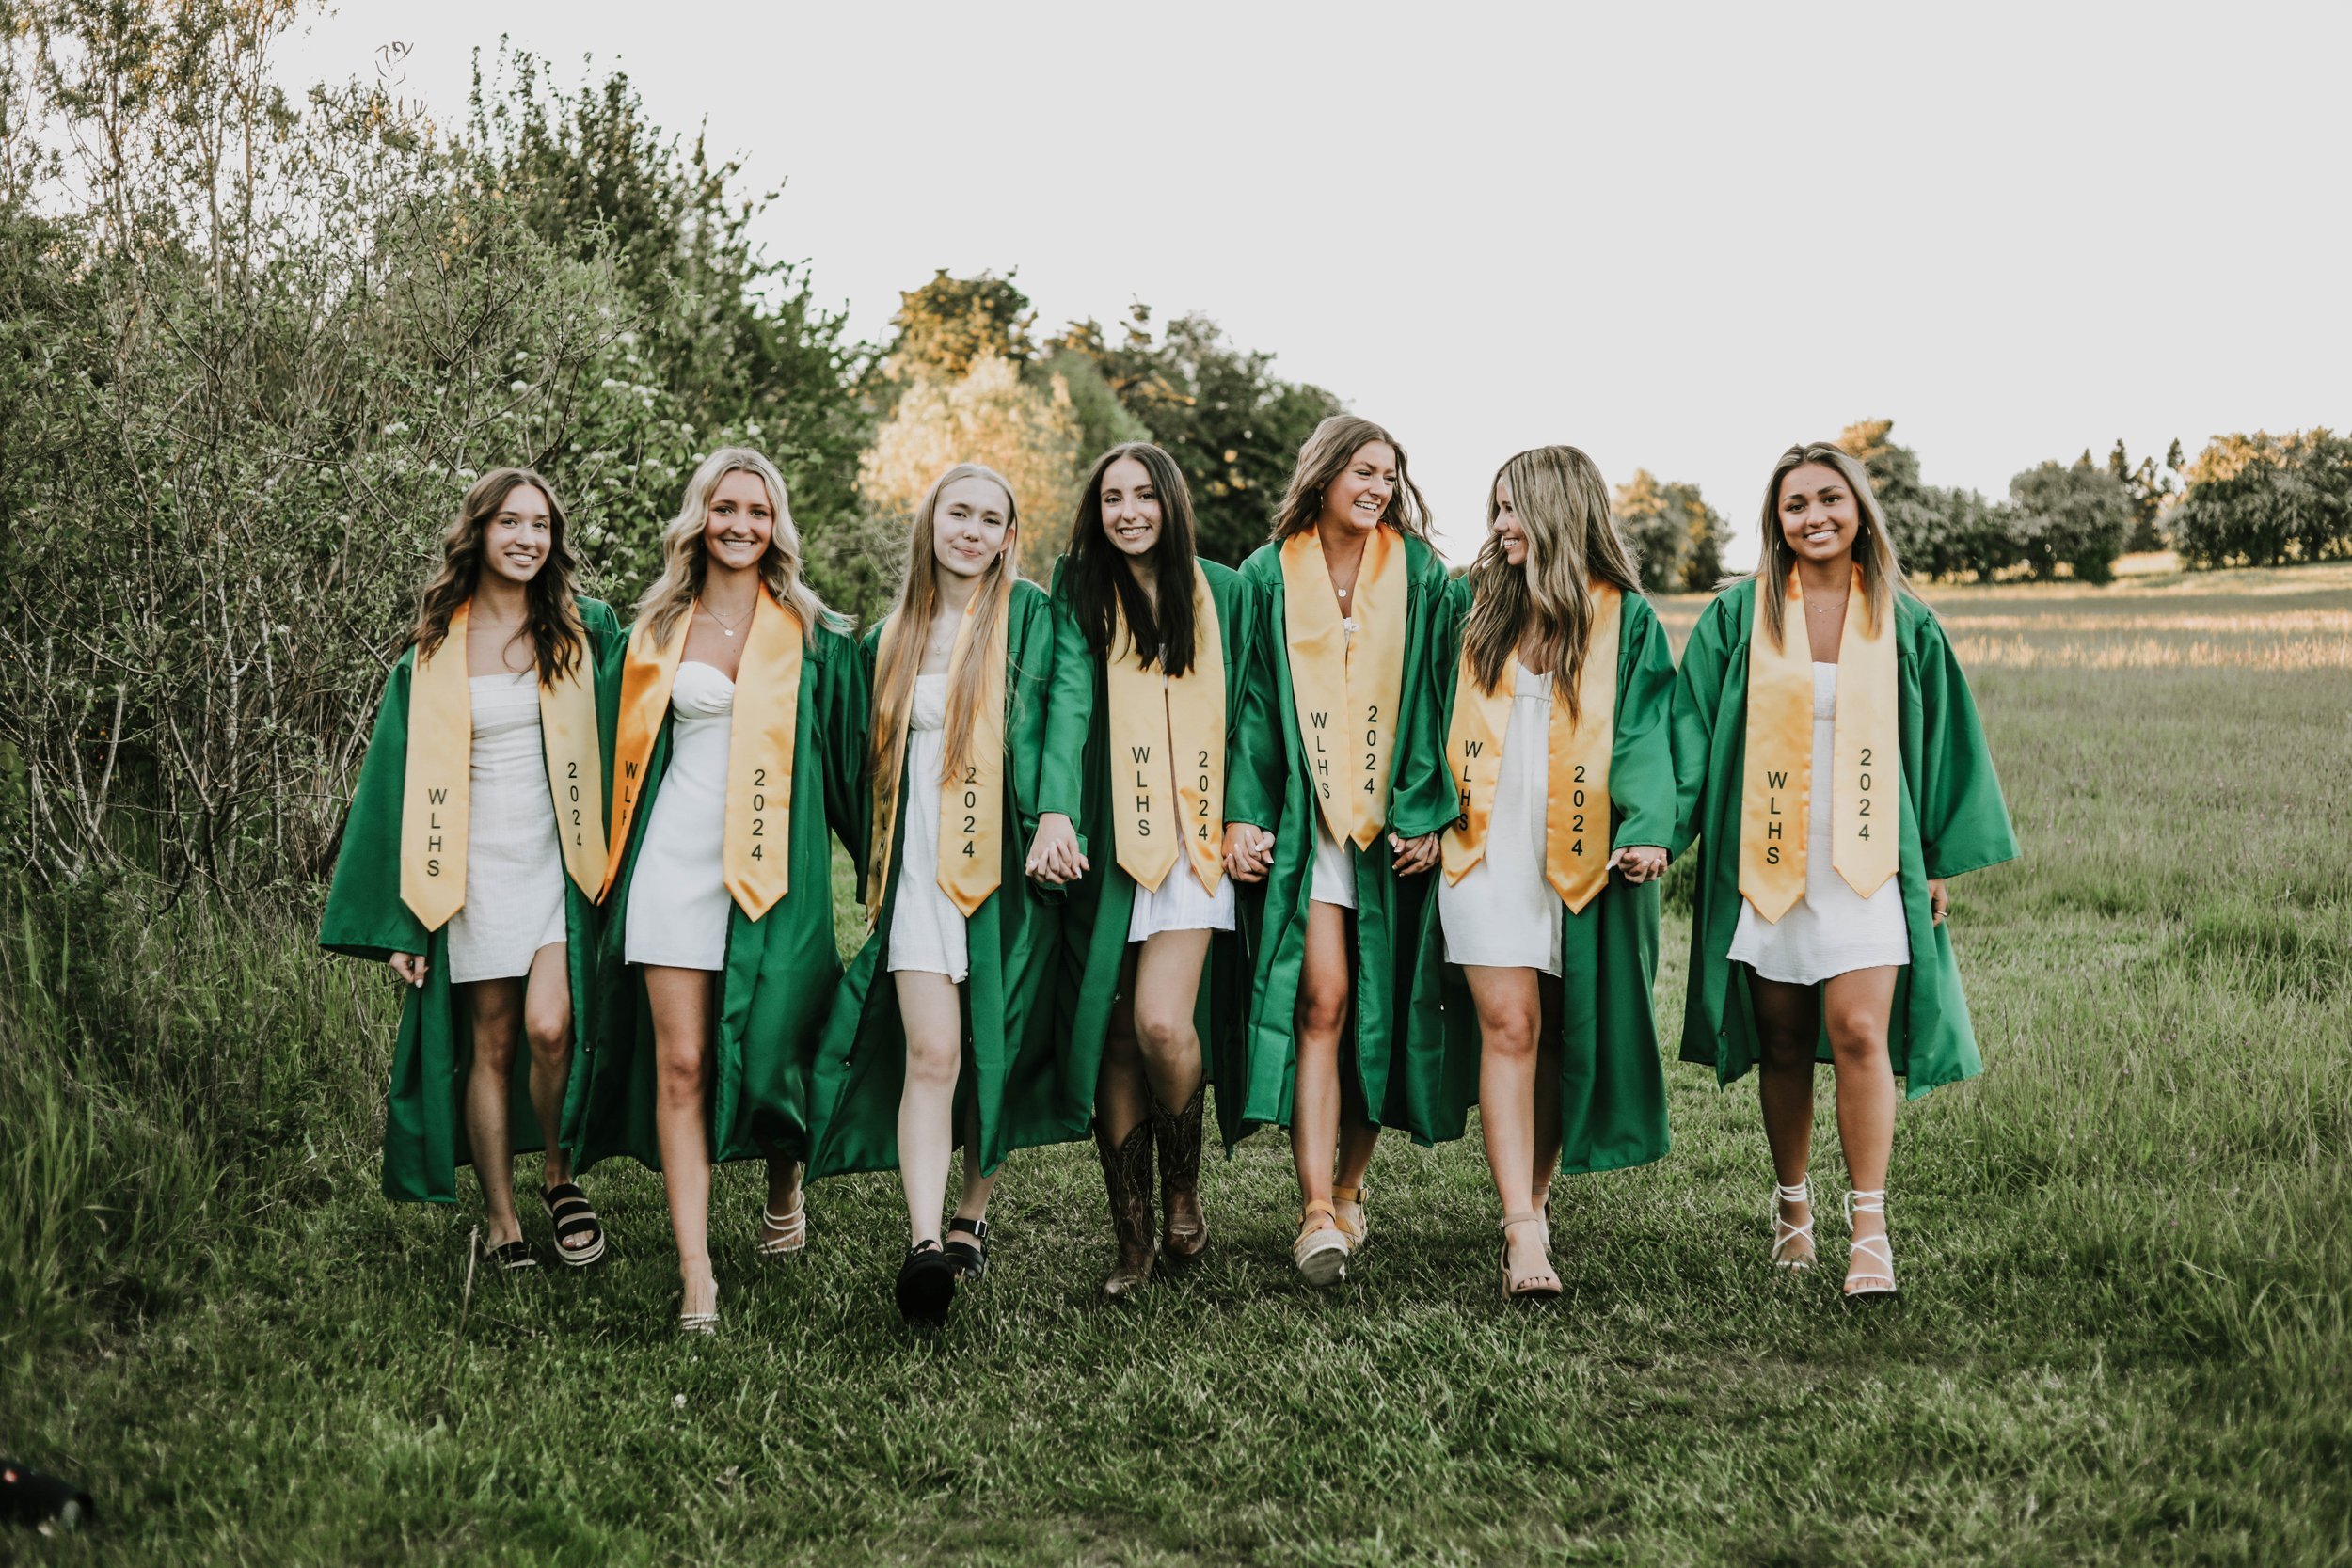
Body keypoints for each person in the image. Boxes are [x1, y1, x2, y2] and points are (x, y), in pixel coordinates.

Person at [1669, 442, 2018, 1299]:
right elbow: (1682, 735)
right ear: (1775, 521)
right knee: (1784, 1035)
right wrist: (1654, 831)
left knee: (1860, 1030)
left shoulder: (1902, 619)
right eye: (1796, 505)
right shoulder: (1737, 617)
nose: (1815, 516)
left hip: (1867, 857)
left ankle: (1871, 1225)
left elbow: (1941, 743)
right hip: (1769, 855)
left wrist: (1934, 855)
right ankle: (1794, 1207)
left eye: (1831, 499)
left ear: (1860, 509)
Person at [573, 448, 866, 1332]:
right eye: (725, 507)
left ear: (778, 527)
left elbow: (856, 762)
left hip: (776, 875)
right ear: (698, 517)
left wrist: (884, 866)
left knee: (777, 1044)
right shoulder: (655, 631)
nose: (741, 524)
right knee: (684, 1062)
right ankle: (696, 1270)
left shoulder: (812, 634)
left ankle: (784, 1182)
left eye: (759, 511)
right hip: (672, 862)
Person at [322, 467, 621, 1269]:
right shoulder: (433, 650)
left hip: (560, 862)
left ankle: (558, 1174)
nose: (528, 539)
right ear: (479, 532)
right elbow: (392, 782)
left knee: (552, 1025)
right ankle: (502, 1217)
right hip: (471, 870)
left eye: (542, 526)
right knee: (489, 1041)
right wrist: (403, 920)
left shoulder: (584, 629)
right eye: (511, 523)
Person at [806, 463, 1078, 1326]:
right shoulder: (888, 636)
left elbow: (1064, 712)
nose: (970, 528)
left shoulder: (1031, 617)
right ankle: (925, 1242)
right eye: (956, 511)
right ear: (930, 522)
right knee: (933, 1053)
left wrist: (1055, 812)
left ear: (1008, 537)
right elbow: (851, 759)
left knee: (989, 1046)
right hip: (921, 870)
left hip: (1008, 867)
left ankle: (973, 1212)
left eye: (989, 517)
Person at [1422, 446, 1677, 1301]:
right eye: (1496, 508)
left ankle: (1533, 1196)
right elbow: (1423, 709)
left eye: (1513, 509)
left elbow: (1645, 733)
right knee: (1511, 1023)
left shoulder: (1623, 620)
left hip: (1579, 851)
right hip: (1482, 845)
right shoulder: (1471, 605)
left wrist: (1648, 829)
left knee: (1565, 1029)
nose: (1500, 526)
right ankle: (1521, 1230)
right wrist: (1422, 813)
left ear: (1561, 511)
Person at [1224, 415, 1457, 1286]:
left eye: (1388, 476)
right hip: (1310, 824)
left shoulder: (1422, 574)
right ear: (1322, 474)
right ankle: (1315, 1207)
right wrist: (1241, 814)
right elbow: (1249, 702)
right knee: (1322, 998)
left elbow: (1441, 699)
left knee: (1378, 1008)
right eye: (1362, 471)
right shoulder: (1267, 573)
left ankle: (1353, 1187)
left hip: (1392, 828)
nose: (1377, 488)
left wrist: (1430, 809)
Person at [1033, 442, 1252, 1299]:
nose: (1128, 511)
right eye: (1112, 497)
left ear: (1171, 501)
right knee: (1114, 1034)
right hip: (1109, 841)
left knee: (1163, 1023)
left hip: (1195, 845)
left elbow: (1253, 711)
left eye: (1143, 495)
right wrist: (1053, 806)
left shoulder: (1224, 590)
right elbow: (1066, 697)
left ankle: (1184, 1186)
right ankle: (1132, 1236)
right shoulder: (1081, 583)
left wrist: (1243, 815)